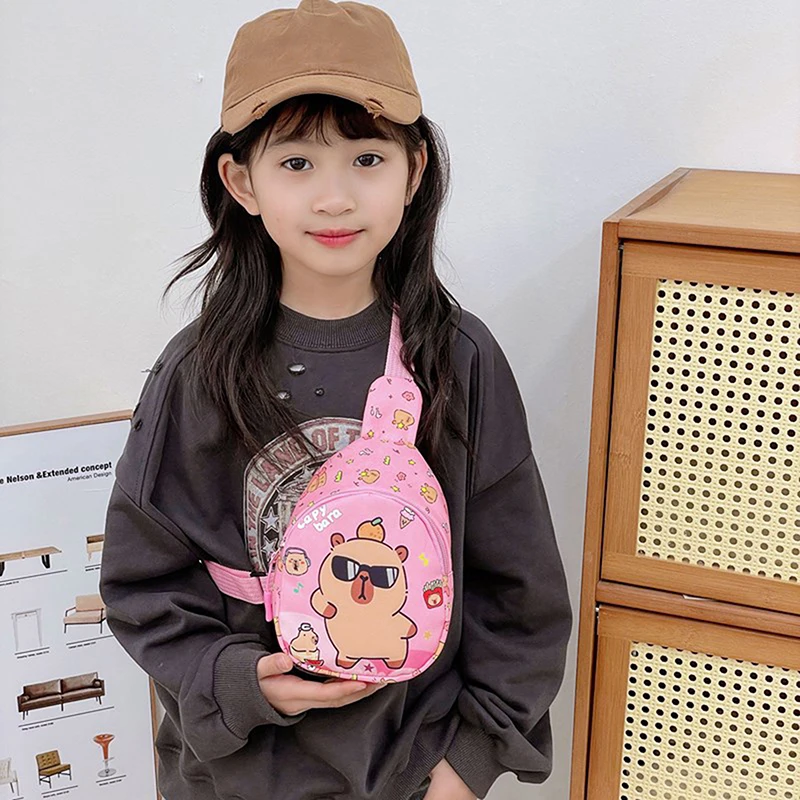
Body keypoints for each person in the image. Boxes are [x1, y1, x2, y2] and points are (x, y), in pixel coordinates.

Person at [98, 2, 573, 799]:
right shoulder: (194, 372)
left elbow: (519, 590)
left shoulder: (459, 360)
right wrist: (238, 680)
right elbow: (142, 582)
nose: (334, 198)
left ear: (413, 171)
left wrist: (470, 761)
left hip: (412, 775)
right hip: (233, 780)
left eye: (366, 158)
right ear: (241, 181)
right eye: (296, 163)